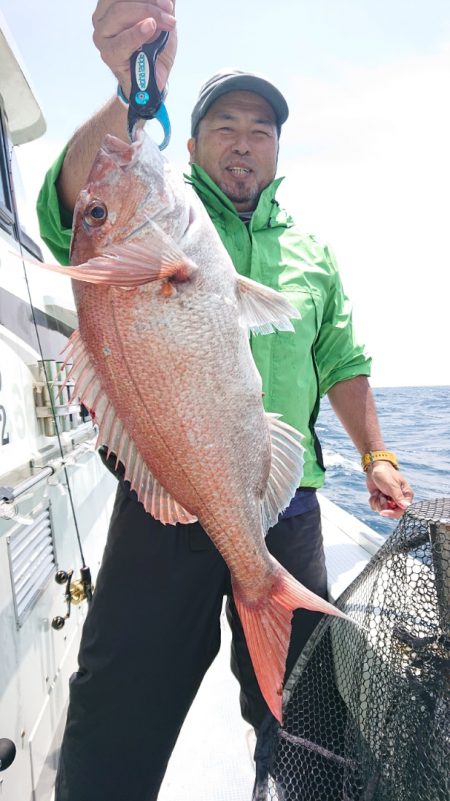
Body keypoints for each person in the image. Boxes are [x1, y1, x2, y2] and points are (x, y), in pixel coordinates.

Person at [36, 3, 414, 800]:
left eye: (261, 130)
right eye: (227, 126)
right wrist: (129, 95)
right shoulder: (154, 225)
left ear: (277, 147)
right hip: (163, 496)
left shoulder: (311, 252)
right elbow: (73, 204)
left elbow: (341, 359)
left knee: (307, 716)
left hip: (286, 502)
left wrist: (376, 452)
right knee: (116, 708)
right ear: (195, 138)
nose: (244, 142)